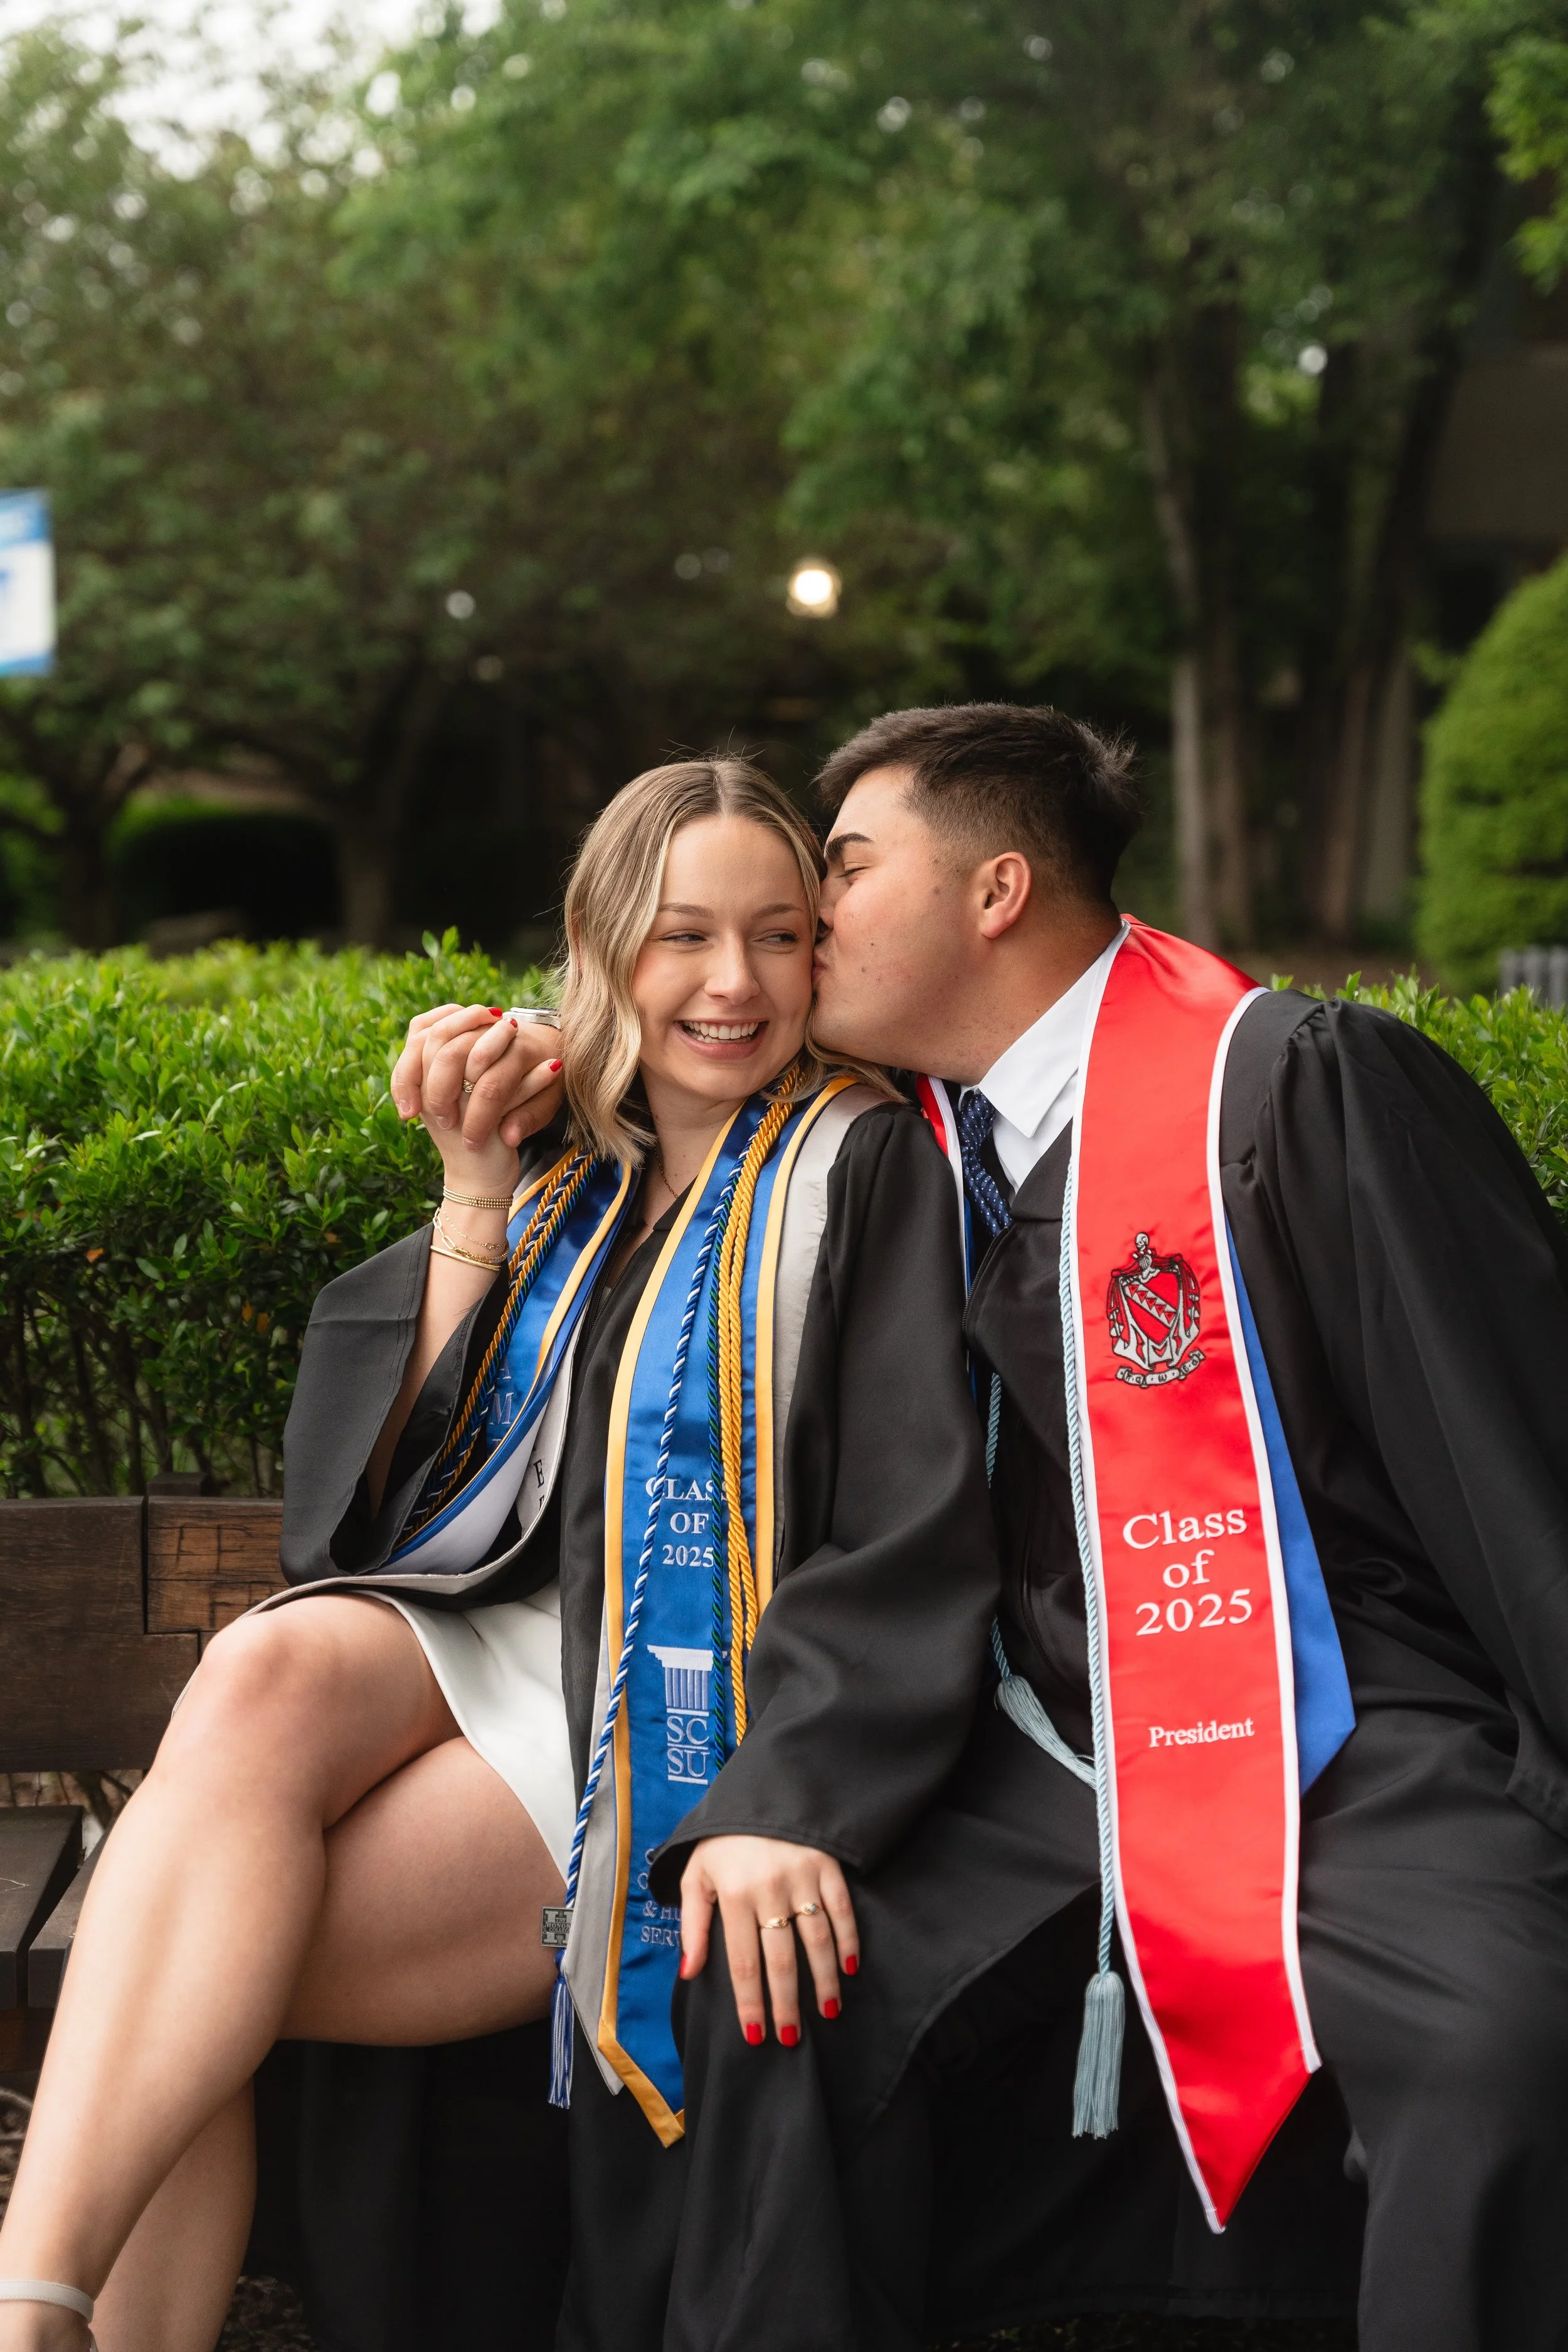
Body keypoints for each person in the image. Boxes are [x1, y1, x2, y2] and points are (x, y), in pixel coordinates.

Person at [0, 756, 998, 2352]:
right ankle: (32, 2310)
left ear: (825, 952)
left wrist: (801, 1793)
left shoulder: (861, 1162)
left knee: (170, 1955)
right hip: (486, 1627)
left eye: (779, 933)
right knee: (261, 1666)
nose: (731, 982)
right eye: (679, 937)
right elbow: (404, 1519)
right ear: (603, 951)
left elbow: (903, 1511)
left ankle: (50, 2320)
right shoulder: (560, 1162)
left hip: (677, 1680)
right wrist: (471, 1186)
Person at [793, 699, 1568, 2352]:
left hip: (1338, 1711)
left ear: (995, 888)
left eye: (847, 866)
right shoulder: (883, 1154)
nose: (811, 914)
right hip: (1033, 1742)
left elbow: (1508, 1453)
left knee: (1495, 2036)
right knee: (784, 2014)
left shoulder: (1293, 1082)